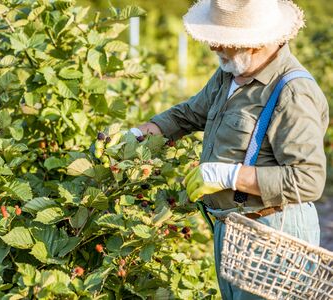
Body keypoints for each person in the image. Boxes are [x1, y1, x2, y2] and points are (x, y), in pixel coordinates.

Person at [131, 0, 329, 299]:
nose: (213, 48)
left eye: (223, 41)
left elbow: (308, 179)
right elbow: (188, 115)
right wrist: (136, 136)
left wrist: (229, 176)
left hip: (275, 235)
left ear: (256, 42)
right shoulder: (230, 75)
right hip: (234, 230)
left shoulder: (293, 92)